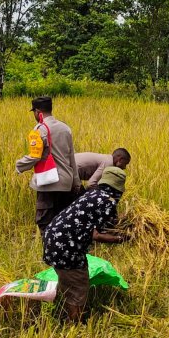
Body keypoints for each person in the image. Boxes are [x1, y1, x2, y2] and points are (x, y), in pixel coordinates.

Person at [44, 166, 128, 322]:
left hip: (53, 238)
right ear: (119, 188)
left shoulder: (93, 194)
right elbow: (97, 235)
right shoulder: (108, 201)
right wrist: (122, 238)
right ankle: (75, 323)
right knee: (79, 285)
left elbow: (99, 222)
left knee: (68, 280)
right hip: (67, 247)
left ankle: (65, 310)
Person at [16, 96, 81, 239]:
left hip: (48, 182)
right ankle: (64, 252)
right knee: (63, 221)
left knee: (45, 222)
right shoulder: (65, 128)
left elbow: (35, 156)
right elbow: (72, 158)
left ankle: (50, 252)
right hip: (66, 183)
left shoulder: (39, 130)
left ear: (37, 112)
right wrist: (76, 182)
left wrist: (19, 165)